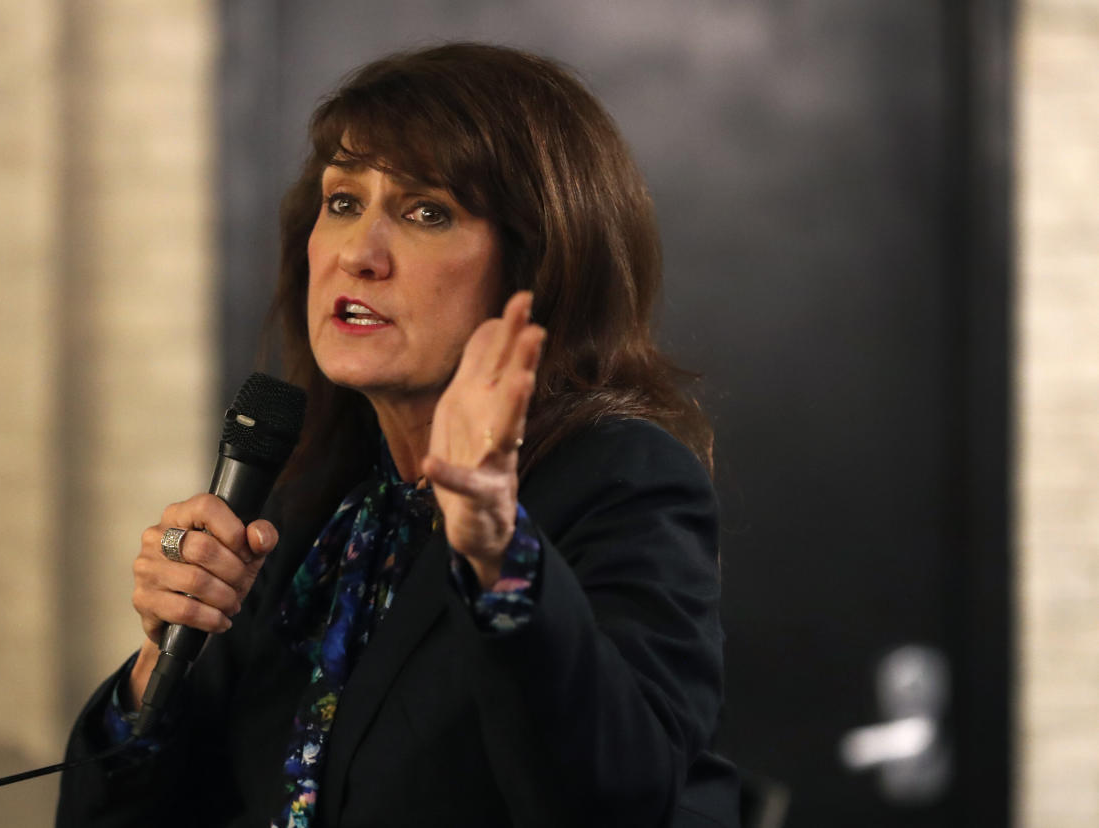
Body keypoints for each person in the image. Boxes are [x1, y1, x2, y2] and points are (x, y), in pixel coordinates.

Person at [57, 42, 738, 828]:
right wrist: (162, 657)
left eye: (426, 212)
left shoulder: (621, 481)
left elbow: (618, 801)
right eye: (343, 202)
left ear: (533, 269)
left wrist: (495, 551)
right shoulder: (316, 510)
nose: (357, 253)